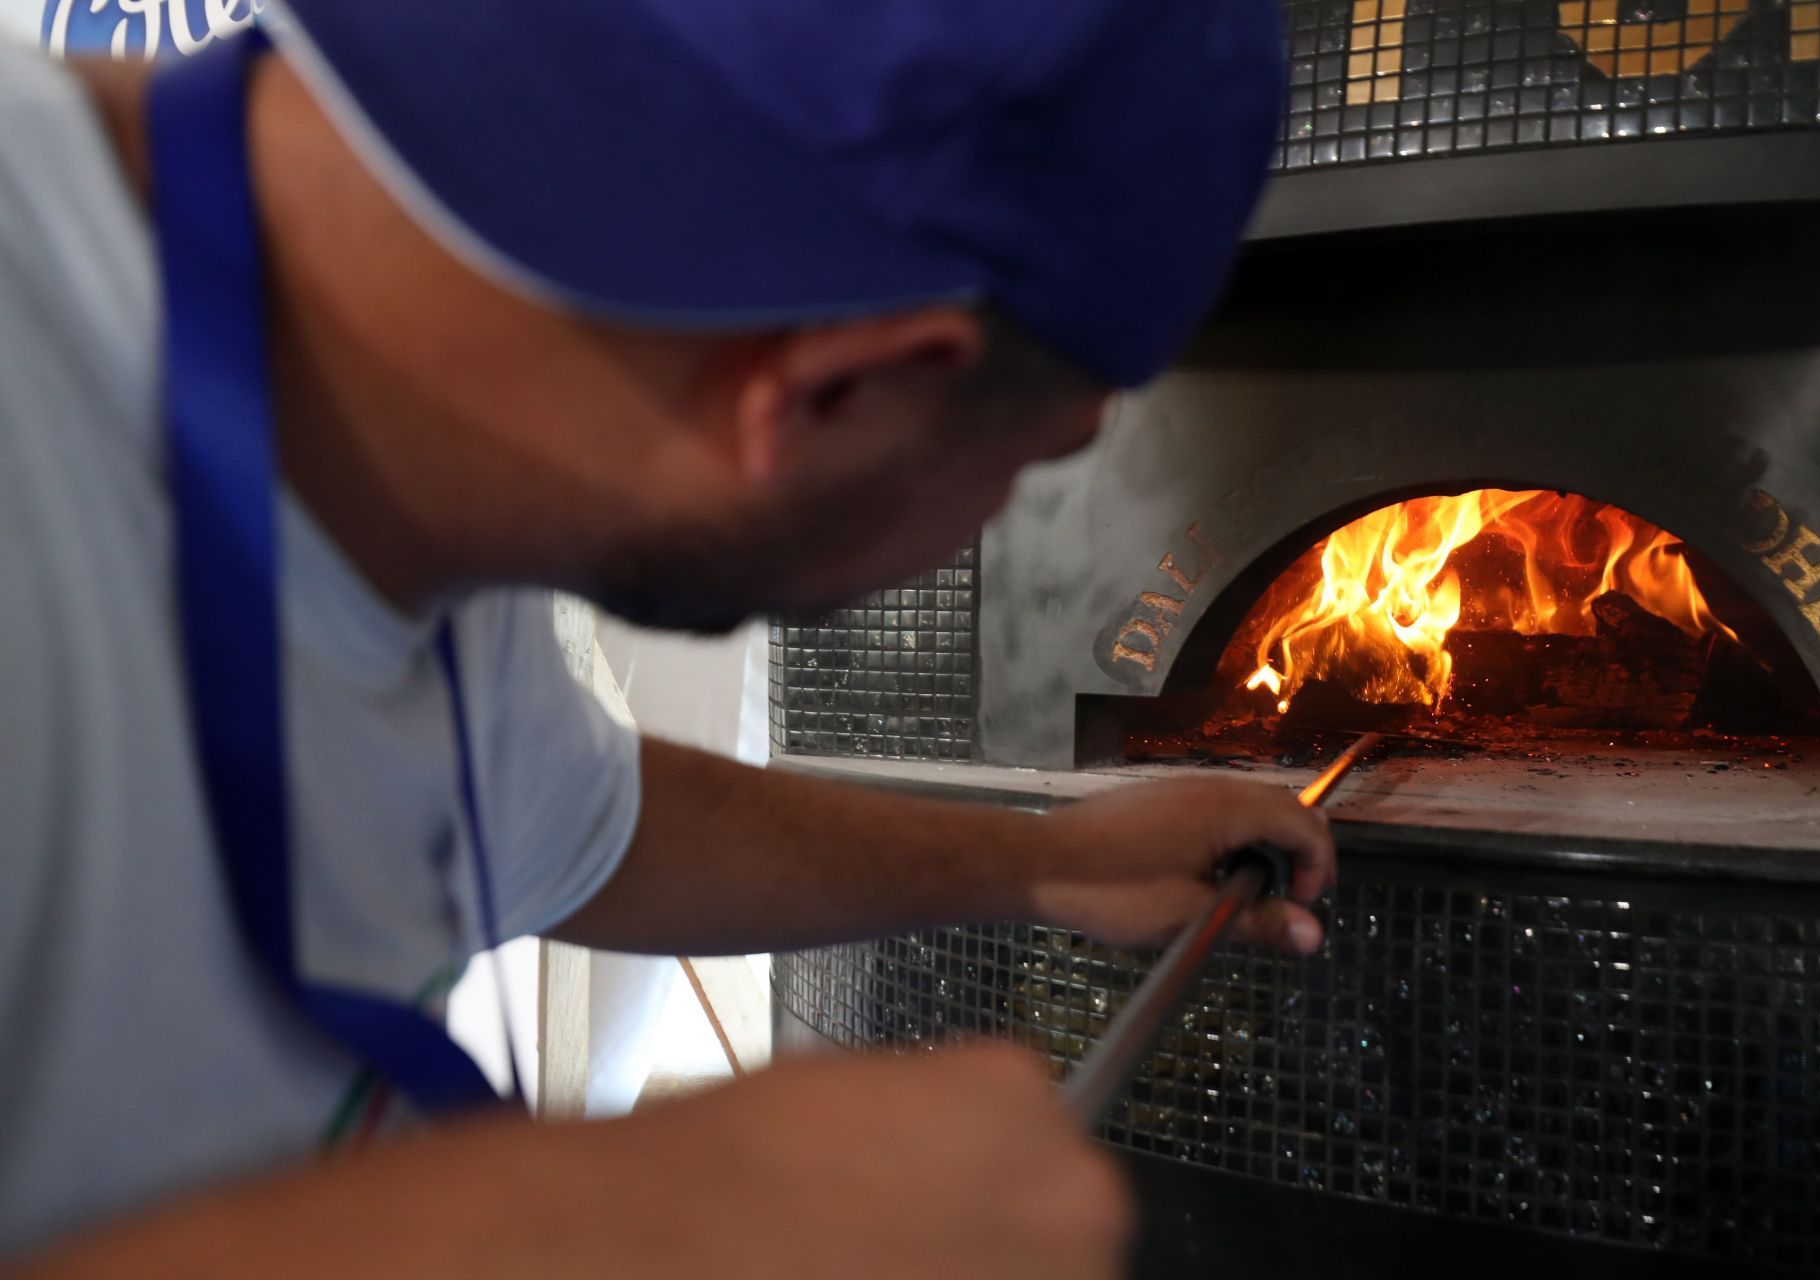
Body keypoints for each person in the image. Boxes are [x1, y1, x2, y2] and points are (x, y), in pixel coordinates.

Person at [0, 1, 1336, 1275]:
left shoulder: (417, 441)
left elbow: (588, 825)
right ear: (847, 388)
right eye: (1035, 461)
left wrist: (1045, 865)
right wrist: (613, 1233)